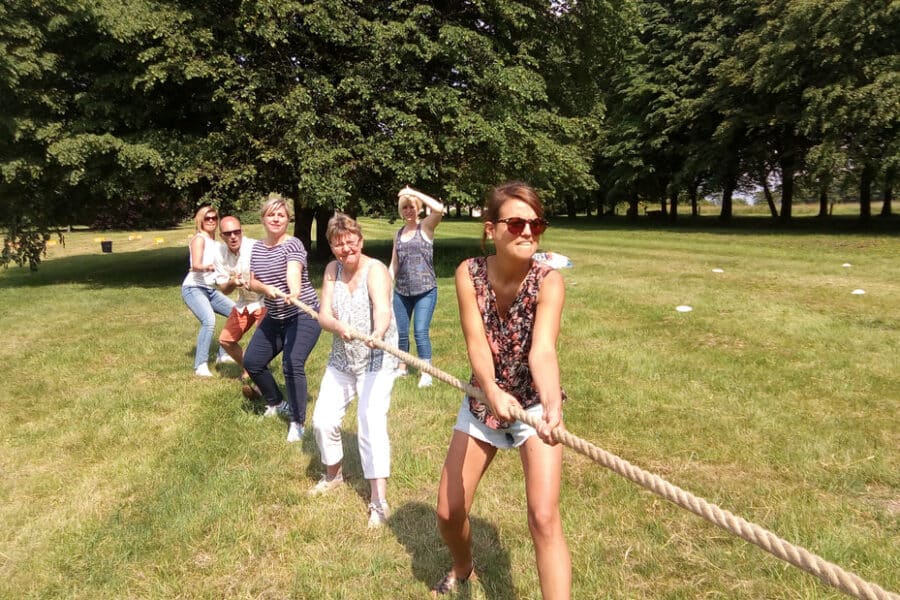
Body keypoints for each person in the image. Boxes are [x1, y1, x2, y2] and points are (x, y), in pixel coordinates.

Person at [432, 182, 570, 598]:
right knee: (448, 511)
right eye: (516, 223)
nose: (527, 231)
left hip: (532, 403)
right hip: (484, 399)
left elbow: (542, 351)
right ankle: (464, 568)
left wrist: (551, 406)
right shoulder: (468, 273)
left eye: (536, 224)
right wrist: (491, 391)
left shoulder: (549, 282)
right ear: (491, 229)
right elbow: (476, 343)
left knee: (543, 518)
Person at [309, 213, 399, 529]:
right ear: (331, 246)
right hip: (342, 358)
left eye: (351, 242)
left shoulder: (376, 271)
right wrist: (337, 326)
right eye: (338, 244)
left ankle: (378, 500)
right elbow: (323, 315)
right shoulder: (331, 271)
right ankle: (333, 475)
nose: (346, 249)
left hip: (376, 358)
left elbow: (383, 309)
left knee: (370, 423)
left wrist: (377, 333)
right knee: (322, 420)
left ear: (360, 240)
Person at [244, 194, 322, 443]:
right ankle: (277, 403)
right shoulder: (257, 248)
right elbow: (252, 281)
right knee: (252, 361)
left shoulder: (294, 244)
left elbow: (293, 271)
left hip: (302, 314)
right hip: (275, 315)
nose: (276, 219)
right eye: (271, 214)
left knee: (292, 363)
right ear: (263, 218)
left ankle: (298, 422)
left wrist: (294, 292)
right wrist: (265, 289)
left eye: (281, 215)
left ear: (288, 219)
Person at [389, 186, 445, 387]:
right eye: (405, 207)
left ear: (419, 208)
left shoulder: (426, 227)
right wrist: (386, 283)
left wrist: (413, 193)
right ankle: (401, 368)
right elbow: (394, 263)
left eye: (412, 207)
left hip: (425, 290)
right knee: (401, 333)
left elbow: (439, 209)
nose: (409, 211)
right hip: (402, 292)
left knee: (420, 331)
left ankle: (426, 372)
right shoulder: (398, 233)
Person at [213, 215, 266, 399]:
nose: (233, 236)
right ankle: (249, 368)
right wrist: (232, 282)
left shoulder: (255, 248)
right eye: (228, 233)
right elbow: (224, 289)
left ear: (242, 232)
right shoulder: (219, 254)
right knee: (226, 340)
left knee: (261, 344)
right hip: (244, 302)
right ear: (222, 236)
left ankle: (259, 385)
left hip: (264, 300)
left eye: (237, 232)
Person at [181, 204, 235, 377]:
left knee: (236, 313)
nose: (211, 221)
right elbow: (196, 265)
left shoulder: (217, 244)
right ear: (201, 221)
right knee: (209, 321)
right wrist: (207, 267)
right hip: (194, 288)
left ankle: (223, 354)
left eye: (214, 218)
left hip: (210, 290)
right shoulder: (199, 239)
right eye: (207, 218)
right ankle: (200, 366)